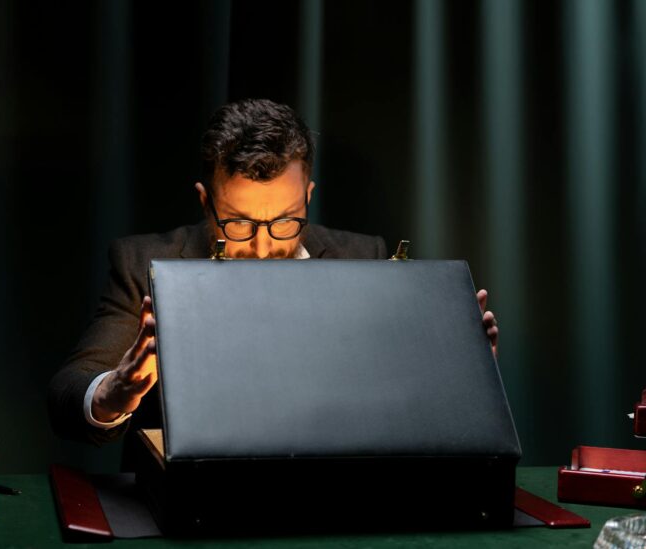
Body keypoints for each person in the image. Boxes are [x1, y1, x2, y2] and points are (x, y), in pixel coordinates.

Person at [47, 98, 499, 467]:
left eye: (285, 221)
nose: (263, 248)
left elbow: (402, 405)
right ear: (205, 202)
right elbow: (68, 394)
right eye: (239, 224)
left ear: (308, 197)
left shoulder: (366, 257)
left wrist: (455, 374)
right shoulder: (142, 264)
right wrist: (114, 391)